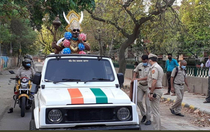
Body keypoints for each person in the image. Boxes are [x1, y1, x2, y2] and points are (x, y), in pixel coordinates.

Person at [132, 55, 151, 125]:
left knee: (148, 104)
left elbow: (148, 77)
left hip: (148, 86)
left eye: (145, 61)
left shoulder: (151, 67)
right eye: (143, 61)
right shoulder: (140, 65)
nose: (144, 62)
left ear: (148, 60)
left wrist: (138, 79)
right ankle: (144, 115)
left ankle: (149, 119)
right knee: (138, 100)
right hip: (140, 86)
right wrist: (134, 77)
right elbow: (135, 71)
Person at [147, 53, 164, 130]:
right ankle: (157, 128)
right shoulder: (158, 67)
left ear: (150, 60)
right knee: (155, 111)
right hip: (157, 89)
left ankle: (157, 128)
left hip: (155, 90)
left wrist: (151, 92)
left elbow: (154, 81)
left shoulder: (154, 68)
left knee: (155, 112)